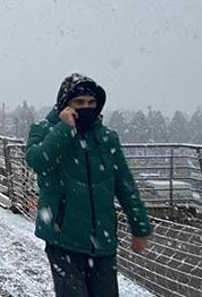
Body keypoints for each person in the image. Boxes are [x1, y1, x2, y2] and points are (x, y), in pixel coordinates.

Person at [25, 73, 152, 297]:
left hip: (103, 242)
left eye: (91, 103)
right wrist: (64, 129)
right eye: (79, 102)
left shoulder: (106, 137)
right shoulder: (44, 129)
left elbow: (125, 184)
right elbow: (38, 161)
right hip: (63, 239)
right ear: (65, 104)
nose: (86, 107)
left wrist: (139, 227)